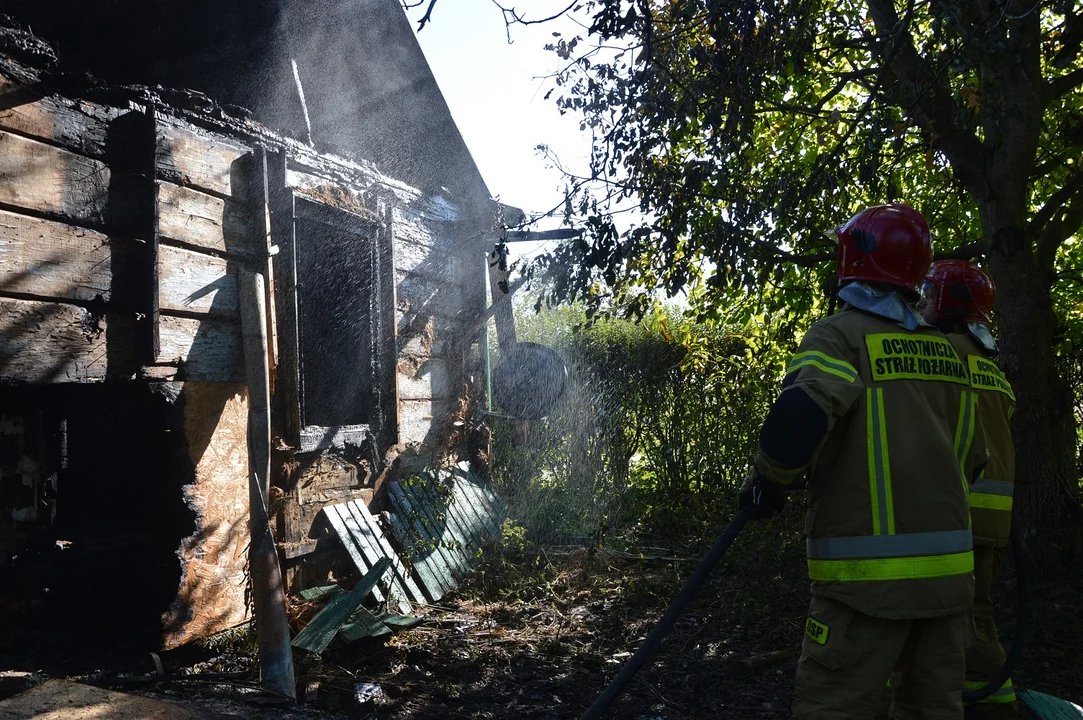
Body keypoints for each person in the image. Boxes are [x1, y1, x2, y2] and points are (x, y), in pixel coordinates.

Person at [739, 204, 988, 720]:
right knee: (932, 710)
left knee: (834, 707)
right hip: (948, 585)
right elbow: (975, 458)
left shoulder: (842, 336)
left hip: (866, 588)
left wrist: (768, 480)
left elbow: (801, 416)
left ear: (853, 258)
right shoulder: (949, 355)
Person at [919, 260, 1018, 719]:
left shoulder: (941, 354)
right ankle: (995, 703)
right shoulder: (990, 366)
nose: (920, 303)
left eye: (927, 295)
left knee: (927, 619)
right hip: (993, 517)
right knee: (978, 615)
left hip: (954, 512)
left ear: (945, 302)